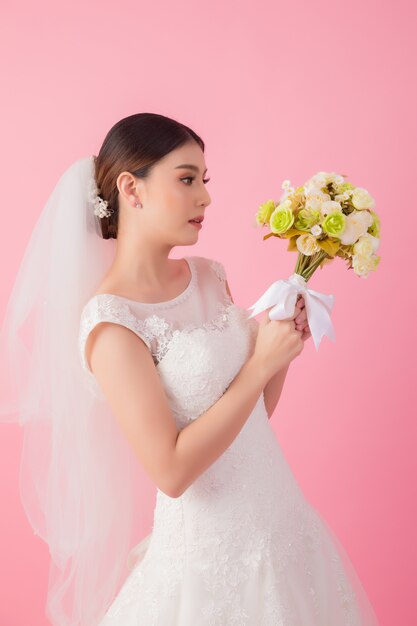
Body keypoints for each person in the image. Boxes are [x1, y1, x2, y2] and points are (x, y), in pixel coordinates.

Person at [0, 112, 380, 625]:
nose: (205, 197)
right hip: (209, 567)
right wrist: (258, 364)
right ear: (131, 189)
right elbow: (172, 470)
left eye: (205, 180)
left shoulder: (207, 276)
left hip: (285, 531)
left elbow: (252, 417)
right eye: (186, 179)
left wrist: (280, 351)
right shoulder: (112, 323)